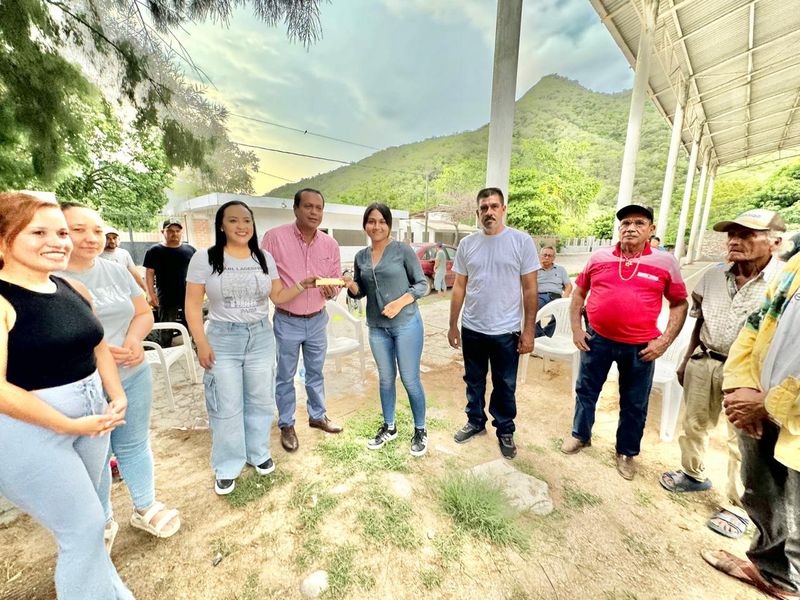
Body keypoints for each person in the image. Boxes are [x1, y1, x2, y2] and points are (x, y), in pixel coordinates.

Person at [0, 192, 132, 599]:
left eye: (61, 231)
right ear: (4, 239)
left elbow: (96, 345)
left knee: (93, 520)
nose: (57, 240)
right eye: (38, 232)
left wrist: (116, 393)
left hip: (93, 417)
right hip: (32, 430)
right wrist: (70, 424)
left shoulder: (69, 286)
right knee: (82, 528)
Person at [60, 203, 181, 546]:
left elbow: (142, 312)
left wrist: (133, 341)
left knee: (134, 443)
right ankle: (101, 519)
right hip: (84, 383)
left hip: (132, 372)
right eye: (78, 229)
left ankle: (145, 506)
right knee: (94, 455)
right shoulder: (48, 279)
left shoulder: (114, 270)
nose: (91, 238)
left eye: (97, 230)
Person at [660, 209, 785, 539]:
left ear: (775, 242)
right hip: (706, 359)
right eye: (732, 235)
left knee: (741, 441)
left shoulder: (784, 282)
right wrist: (687, 359)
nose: (735, 241)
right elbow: (699, 320)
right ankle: (693, 472)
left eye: (747, 235)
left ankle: (738, 507)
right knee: (694, 423)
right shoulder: (714, 276)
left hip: (750, 374)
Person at [187, 201, 317, 495]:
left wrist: (302, 284)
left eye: (246, 220)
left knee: (259, 399)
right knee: (226, 404)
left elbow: (279, 296)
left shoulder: (263, 257)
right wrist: (201, 343)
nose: (242, 226)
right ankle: (227, 465)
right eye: (233, 221)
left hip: (260, 336)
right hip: (223, 339)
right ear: (222, 225)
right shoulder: (205, 258)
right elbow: (193, 306)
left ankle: (258, 453)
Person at [561, 204, 688, 481]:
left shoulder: (665, 262)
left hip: (641, 346)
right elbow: (579, 293)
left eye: (639, 223)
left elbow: (680, 304)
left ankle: (626, 452)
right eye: (625, 223)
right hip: (597, 339)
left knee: (634, 401)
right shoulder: (600, 257)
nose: (630, 228)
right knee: (586, 390)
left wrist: (664, 342)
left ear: (651, 229)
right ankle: (580, 435)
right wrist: (575, 329)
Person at [701, 252, 800, 599]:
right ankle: (773, 574)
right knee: (762, 491)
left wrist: (769, 401)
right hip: (755, 406)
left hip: (784, 415)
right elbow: (755, 326)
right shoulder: (796, 266)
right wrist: (741, 386)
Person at [447, 187, 539, 459]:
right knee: (473, 380)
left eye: (494, 206)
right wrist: (453, 324)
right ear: (478, 213)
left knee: (505, 384)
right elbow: (459, 287)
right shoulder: (467, 245)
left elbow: (530, 289)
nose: (489, 212)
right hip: (473, 327)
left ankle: (505, 429)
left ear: (503, 209)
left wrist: (529, 330)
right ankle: (475, 422)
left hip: (506, 330)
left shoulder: (521, 242)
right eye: (484, 208)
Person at [260, 188, 344, 453]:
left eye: (319, 208)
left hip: (318, 319)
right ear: (296, 209)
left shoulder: (330, 244)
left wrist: (333, 290)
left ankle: (317, 416)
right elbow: (264, 279)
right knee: (285, 375)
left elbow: (335, 279)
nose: (314, 212)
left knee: (315, 372)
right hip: (287, 320)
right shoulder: (274, 239)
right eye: (308, 206)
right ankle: (286, 423)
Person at [344, 203, 429, 456]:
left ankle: (421, 429)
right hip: (378, 328)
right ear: (365, 225)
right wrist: (350, 285)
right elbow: (360, 292)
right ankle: (390, 427)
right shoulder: (361, 257)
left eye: (382, 221)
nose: (376, 226)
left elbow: (421, 284)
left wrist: (400, 302)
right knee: (385, 379)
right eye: (371, 221)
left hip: (406, 325)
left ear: (389, 225)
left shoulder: (402, 250)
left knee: (410, 379)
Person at [143, 218, 195, 347]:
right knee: (166, 326)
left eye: (177, 231)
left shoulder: (190, 250)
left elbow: (199, 271)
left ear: (181, 232)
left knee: (193, 322)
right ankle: (165, 350)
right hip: (166, 295)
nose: (174, 234)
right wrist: (150, 294)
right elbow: (149, 273)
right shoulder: (154, 251)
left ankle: (198, 347)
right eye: (170, 231)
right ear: (163, 232)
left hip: (188, 294)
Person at [535, 245, 573, 338]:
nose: (547, 257)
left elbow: (568, 286)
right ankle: (540, 335)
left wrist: (565, 296)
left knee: (564, 312)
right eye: (545, 255)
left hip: (556, 296)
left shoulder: (560, 270)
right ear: (540, 256)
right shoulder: (534, 269)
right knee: (531, 311)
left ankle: (548, 334)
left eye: (550, 256)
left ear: (554, 258)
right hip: (539, 296)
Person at [101, 226, 148, 298]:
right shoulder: (97, 255)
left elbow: (134, 273)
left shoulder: (124, 253)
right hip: (105, 295)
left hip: (124, 293)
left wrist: (146, 290)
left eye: (114, 238)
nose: (112, 241)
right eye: (108, 238)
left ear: (118, 239)